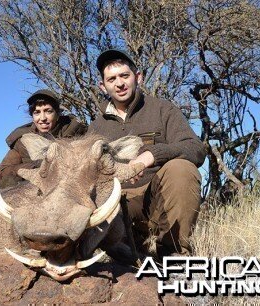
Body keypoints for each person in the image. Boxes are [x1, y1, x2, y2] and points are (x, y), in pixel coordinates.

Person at [88, 49, 206, 257]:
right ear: (103, 86)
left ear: (138, 77)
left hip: (158, 197)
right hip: (119, 203)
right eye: (111, 79)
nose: (119, 83)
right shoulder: (96, 127)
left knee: (182, 169)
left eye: (125, 76)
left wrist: (151, 155)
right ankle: (124, 250)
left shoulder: (163, 109)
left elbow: (195, 148)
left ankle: (175, 253)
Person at [0, 89, 87, 188]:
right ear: (32, 116)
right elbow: (2, 172)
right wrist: (38, 165)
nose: (42, 118)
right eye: (37, 112)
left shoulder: (77, 131)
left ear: (58, 114)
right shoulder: (22, 140)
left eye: (48, 111)